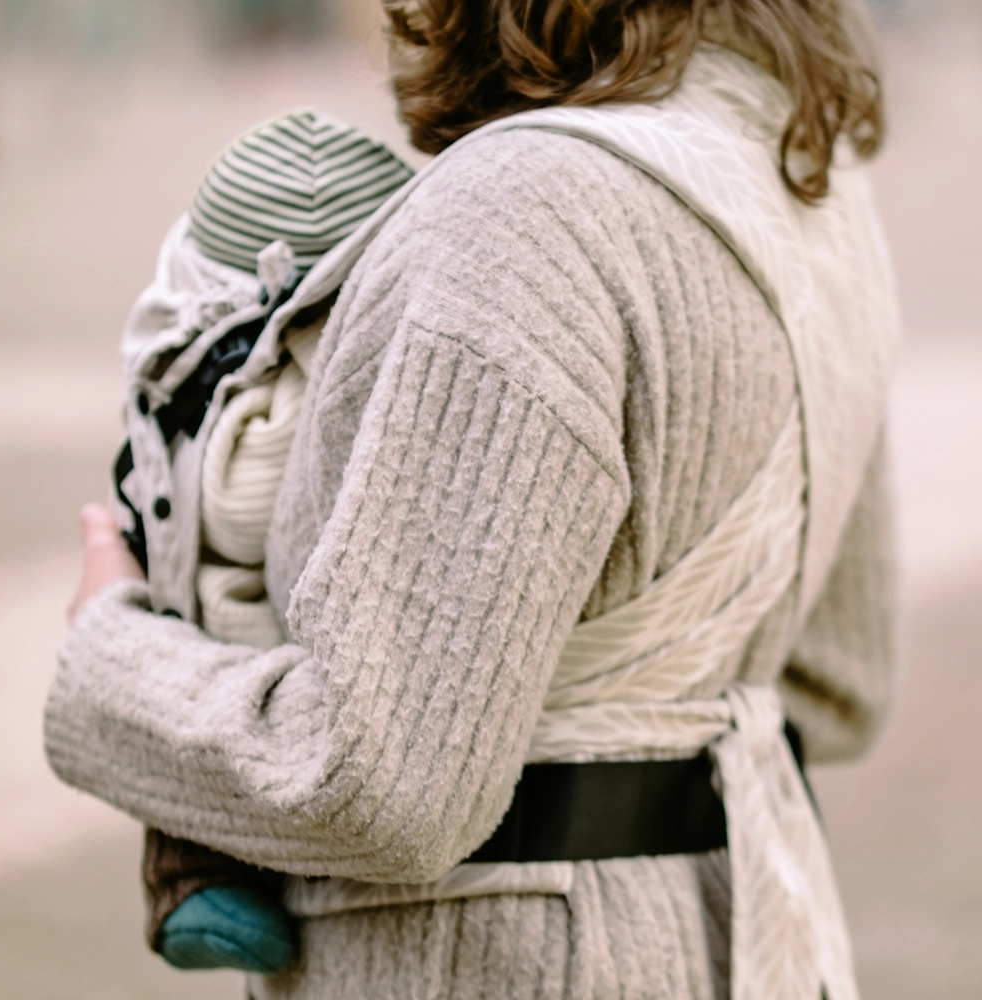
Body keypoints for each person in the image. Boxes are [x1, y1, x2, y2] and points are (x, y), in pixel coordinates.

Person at [48, 2, 900, 999]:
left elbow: (383, 789)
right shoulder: (812, 184)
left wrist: (109, 656)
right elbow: (838, 681)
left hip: (496, 958)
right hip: (735, 929)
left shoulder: (523, 207)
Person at [107, 108, 414, 974]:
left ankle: (190, 882)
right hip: (276, 665)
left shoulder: (215, 385)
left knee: (189, 732)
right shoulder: (296, 396)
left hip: (231, 656)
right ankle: (197, 885)